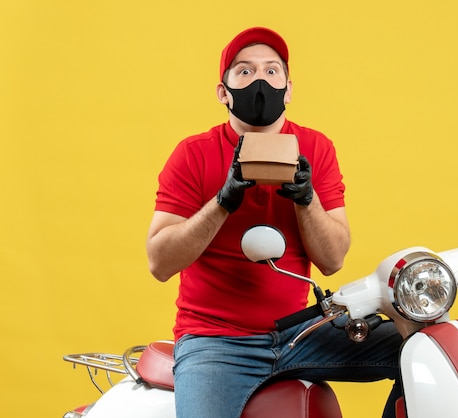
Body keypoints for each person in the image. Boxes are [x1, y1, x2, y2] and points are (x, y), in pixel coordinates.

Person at [146, 27, 403, 418]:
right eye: (245, 72)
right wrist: (223, 200)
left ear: (288, 87)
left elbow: (333, 259)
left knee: (422, 349)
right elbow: (159, 263)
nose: (260, 81)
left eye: (271, 71)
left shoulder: (316, 148)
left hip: (301, 333)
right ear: (223, 91)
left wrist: (306, 197)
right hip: (216, 342)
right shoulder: (192, 154)